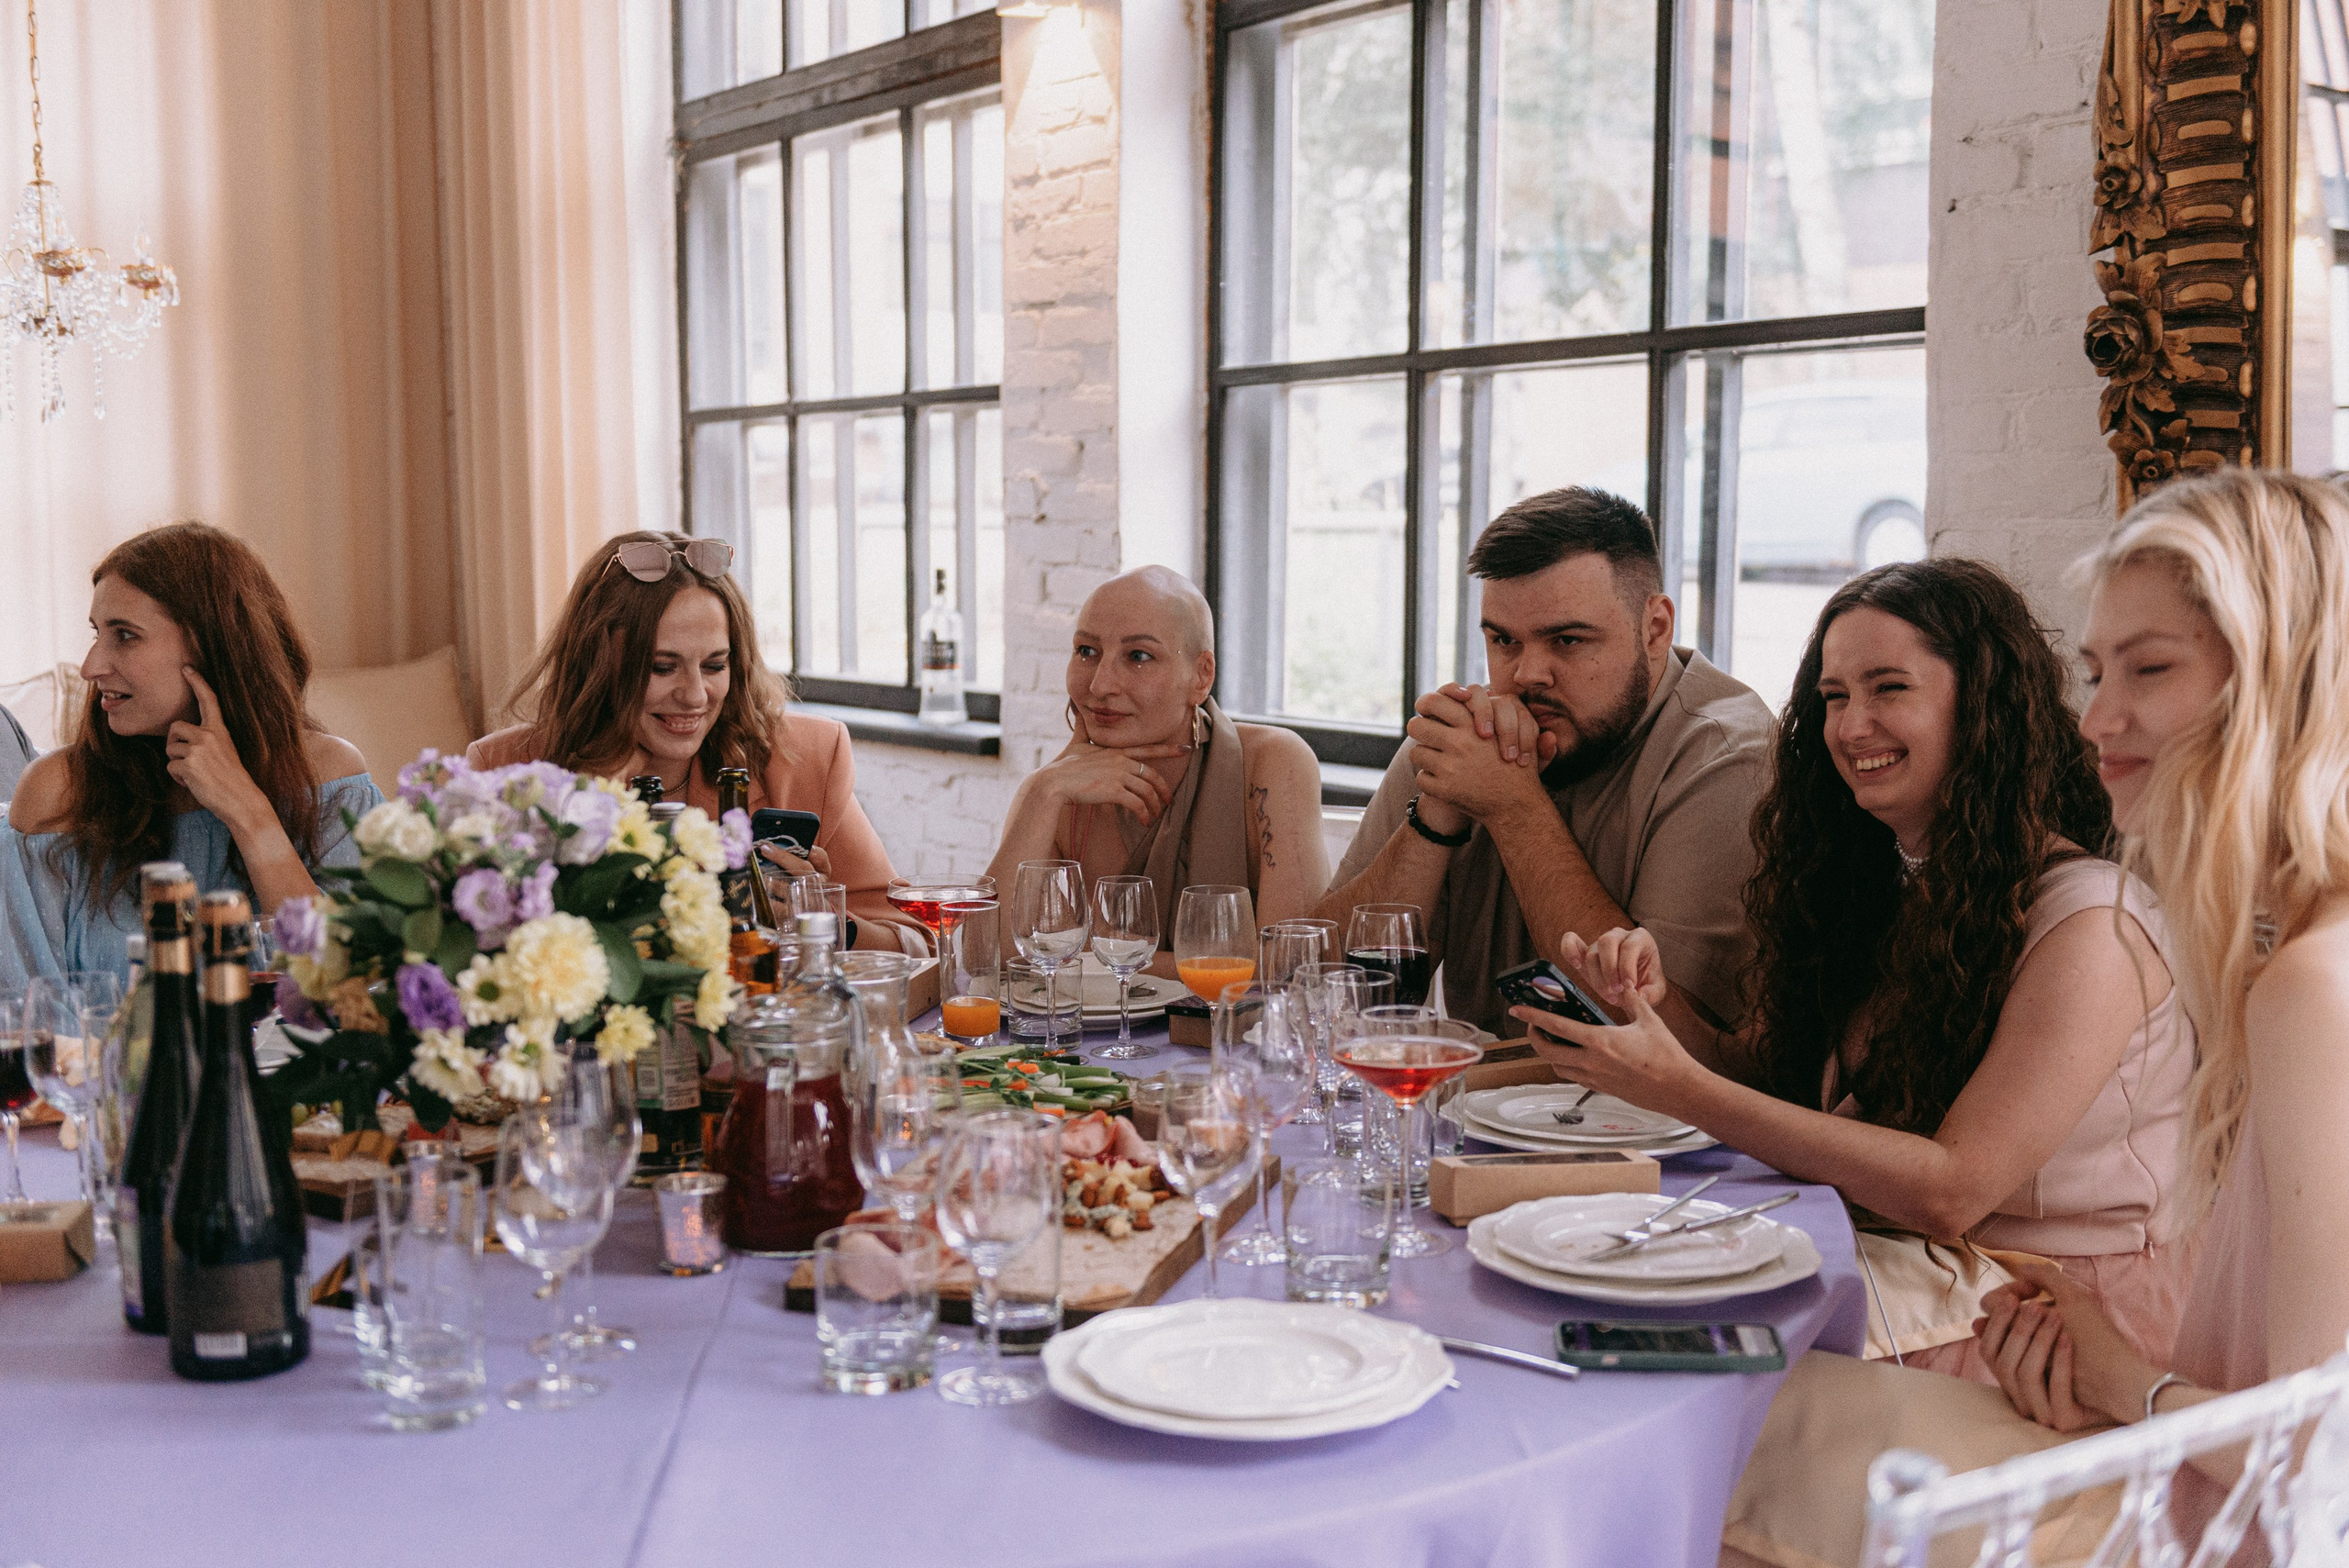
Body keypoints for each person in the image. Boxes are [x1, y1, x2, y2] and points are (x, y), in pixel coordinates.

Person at [1521, 557, 2196, 1381]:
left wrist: (1679, 1089)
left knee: (1654, 1341)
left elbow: (1951, 1191)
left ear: (1982, 707)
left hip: (2053, 1325)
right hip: (1913, 1266)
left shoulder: (2094, 923)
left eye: (1888, 688)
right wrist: (1651, 1015)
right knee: (1590, 1280)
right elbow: (1761, 1079)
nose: (1850, 725)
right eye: (1834, 696)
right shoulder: (1883, 884)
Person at [1970, 470, 2349, 1548]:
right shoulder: (2291, 953)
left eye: (2150, 668)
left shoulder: (2311, 989)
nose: (2097, 718)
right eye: (2095, 670)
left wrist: (2125, 1379)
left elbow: (2318, 1465)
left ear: (2286, 684)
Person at [1320, 485, 1774, 1047]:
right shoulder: (1468, 738)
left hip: (1643, 1132)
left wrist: (1514, 809)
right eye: (1503, 640)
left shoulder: (1727, 755)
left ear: (1654, 629)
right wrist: (1437, 814)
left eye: (1567, 639)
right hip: (1480, 1111)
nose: (1528, 673)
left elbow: (1670, 1049)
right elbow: (1317, 996)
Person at [467, 531, 925, 952]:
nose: (694, 696)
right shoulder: (507, 772)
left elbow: (918, 943)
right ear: (599, 666)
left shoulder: (807, 758)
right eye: (662, 668)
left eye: (714, 665)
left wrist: (827, 923)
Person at [1, 522, 381, 990]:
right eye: (97, 633)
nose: (91, 666)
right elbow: (28, 1016)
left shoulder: (326, 776)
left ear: (213, 643)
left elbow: (353, 988)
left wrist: (249, 813)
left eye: (125, 635)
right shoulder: (58, 793)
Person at [984, 565, 1327, 978]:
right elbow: (987, 964)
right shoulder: (1055, 792)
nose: (1099, 685)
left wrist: (1091, 963)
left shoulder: (1270, 764)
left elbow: (1291, 966)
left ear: (1202, 676)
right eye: (1086, 652)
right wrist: (1044, 790)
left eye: (1138, 656)